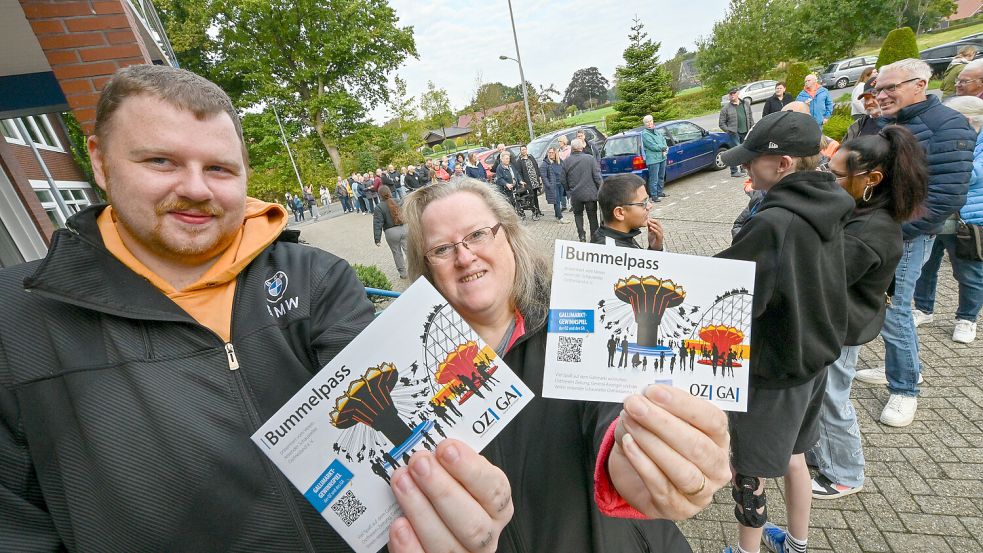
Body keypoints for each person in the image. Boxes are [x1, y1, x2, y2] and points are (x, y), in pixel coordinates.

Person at [0, 64, 384, 551]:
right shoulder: (14, 322)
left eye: (219, 168)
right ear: (99, 162)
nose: (197, 189)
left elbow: (389, 448)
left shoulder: (317, 281)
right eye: (161, 161)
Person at [398, 177, 731, 552]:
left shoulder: (580, 316)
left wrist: (635, 458)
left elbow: (614, 408)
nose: (464, 256)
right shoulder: (417, 376)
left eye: (477, 235)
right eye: (442, 249)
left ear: (508, 235)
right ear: (425, 268)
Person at [715, 111, 855, 553]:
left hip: (773, 372)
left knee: (748, 470)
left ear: (783, 164)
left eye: (753, 159)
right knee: (797, 456)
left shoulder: (774, 223)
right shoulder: (830, 204)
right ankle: (797, 542)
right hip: (813, 360)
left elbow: (728, 291)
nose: (745, 167)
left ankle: (746, 550)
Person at [806, 125, 928, 502]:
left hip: (841, 328)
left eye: (837, 174)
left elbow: (824, 276)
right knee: (821, 395)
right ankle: (822, 453)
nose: (829, 178)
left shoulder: (870, 230)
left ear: (872, 179)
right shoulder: (863, 209)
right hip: (838, 321)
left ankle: (845, 473)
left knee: (832, 397)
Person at [854, 58, 976, 427]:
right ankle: (902, 368)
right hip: (876, 231)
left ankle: (905, 388)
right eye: (878, 88)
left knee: (895, 311)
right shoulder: (884, 123)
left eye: (892, 87)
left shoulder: (948, 125)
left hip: (905, 238)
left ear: (920, 84)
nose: (882, 94)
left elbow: (946, 197)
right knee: (884, 308)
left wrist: (892, 232)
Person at [912, 95, 983, 344]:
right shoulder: (944, 136)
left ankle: (966, 318)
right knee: (926, 264)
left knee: (968, 270)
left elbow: (969, 174)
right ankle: (923, 308)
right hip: (936, 211)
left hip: (968, 216)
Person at [594, 173, 664, 251]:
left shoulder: (620, 236)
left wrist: (654, 249)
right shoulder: (612, 253)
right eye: (643, 202)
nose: (650, 206)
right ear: (620, 213)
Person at [561, 138, 604, 242]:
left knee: (578, 215)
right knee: (592, 216)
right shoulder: (590, 158)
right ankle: (594, 237)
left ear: (572, 148)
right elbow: (597, 177)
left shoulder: (566, 161)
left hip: (575, 194)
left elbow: (562, 179)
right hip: (590, 194)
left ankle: (582, 236)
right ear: (582, 147)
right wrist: (602, 189)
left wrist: (569, 190)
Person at [374, 185, 409, 279]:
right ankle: (415, 269)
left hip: (391, 232)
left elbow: (378, 223)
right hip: (404, 228)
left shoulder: (379, 207)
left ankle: (403, 273)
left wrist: (377, 239)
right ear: (389, 192)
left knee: (396, 253)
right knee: (409, 250)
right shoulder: (397, 201)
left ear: (379, 195)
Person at [719, 87, 754, 177]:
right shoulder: (725, 108)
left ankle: (743, 169)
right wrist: (729, 131)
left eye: (734, 93)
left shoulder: (745, 104)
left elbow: (750, 117)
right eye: (730, 94)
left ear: (738, 93)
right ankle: (734, 171)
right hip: (734, 133)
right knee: (734, 152)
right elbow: (721, 123)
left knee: (744, 151)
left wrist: (752, 128)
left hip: (746, 131)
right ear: (728, 96)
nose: (732, 95)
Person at [642, 115, 670, 201]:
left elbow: (664, 141)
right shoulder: (645, 134)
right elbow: (653, 146)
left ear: (653, 121)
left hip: (662, 157)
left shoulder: (657, 131)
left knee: (661, 176)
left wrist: (663, 146)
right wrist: (664, 147)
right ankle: (654, 196)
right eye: (647, 122)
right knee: (654, 178)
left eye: (650, 121)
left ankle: (660, 192)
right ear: (645, 124)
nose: (649, 123)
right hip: (653, 160)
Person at [541, 147, 570, 224]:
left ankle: (557, 215)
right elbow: (543, 176)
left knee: (558, 200)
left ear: (555, 153)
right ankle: (560, 218)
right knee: (556, 201)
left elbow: (565, 170)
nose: (551, 154)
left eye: (552, 152)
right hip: (553, 186)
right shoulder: (545, 163)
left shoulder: (559, 161)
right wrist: (549, 185)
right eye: (549, 152)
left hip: (560, 184)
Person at [515, 145, 545, 221]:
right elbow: (519, 172)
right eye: (522, 150)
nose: (524, 151)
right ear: (520, 151)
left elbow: (536, 166)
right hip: (528, 182)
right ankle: (534, 212)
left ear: (526, 150)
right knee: (531, 198)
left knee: (536, 197)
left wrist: (539, 176)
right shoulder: (519, 161)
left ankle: (538, 211)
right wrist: (522, 181)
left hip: (535, 181)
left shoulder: (531, 157)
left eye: (525, 149)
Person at [494, 151, 526, 218]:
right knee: (510, 204)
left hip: (514, 187)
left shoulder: (511, 165)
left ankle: (520, 214)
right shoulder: (499, 168)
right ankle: (512, 217)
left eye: (508, 158)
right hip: (506, 190)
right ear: (502, 159)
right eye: (506, 159)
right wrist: (506, 184)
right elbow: (499, 179)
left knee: (517, 201)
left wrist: (520, 181)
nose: (508, 160)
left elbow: (516, 173)